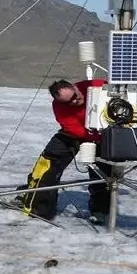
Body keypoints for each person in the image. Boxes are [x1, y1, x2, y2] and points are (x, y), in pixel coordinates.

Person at [16, 79, 113, 224]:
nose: (74, 101)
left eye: (75, 96)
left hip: (102, 133)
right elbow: (72, 127)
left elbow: (113, 85)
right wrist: (91, 137)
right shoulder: (59, 106)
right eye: (68, 102)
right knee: (48, 162)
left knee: (102, 172)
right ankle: (38, 204)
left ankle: (100, 210)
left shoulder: (91, 85)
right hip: (76, 134)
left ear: (75, 87)